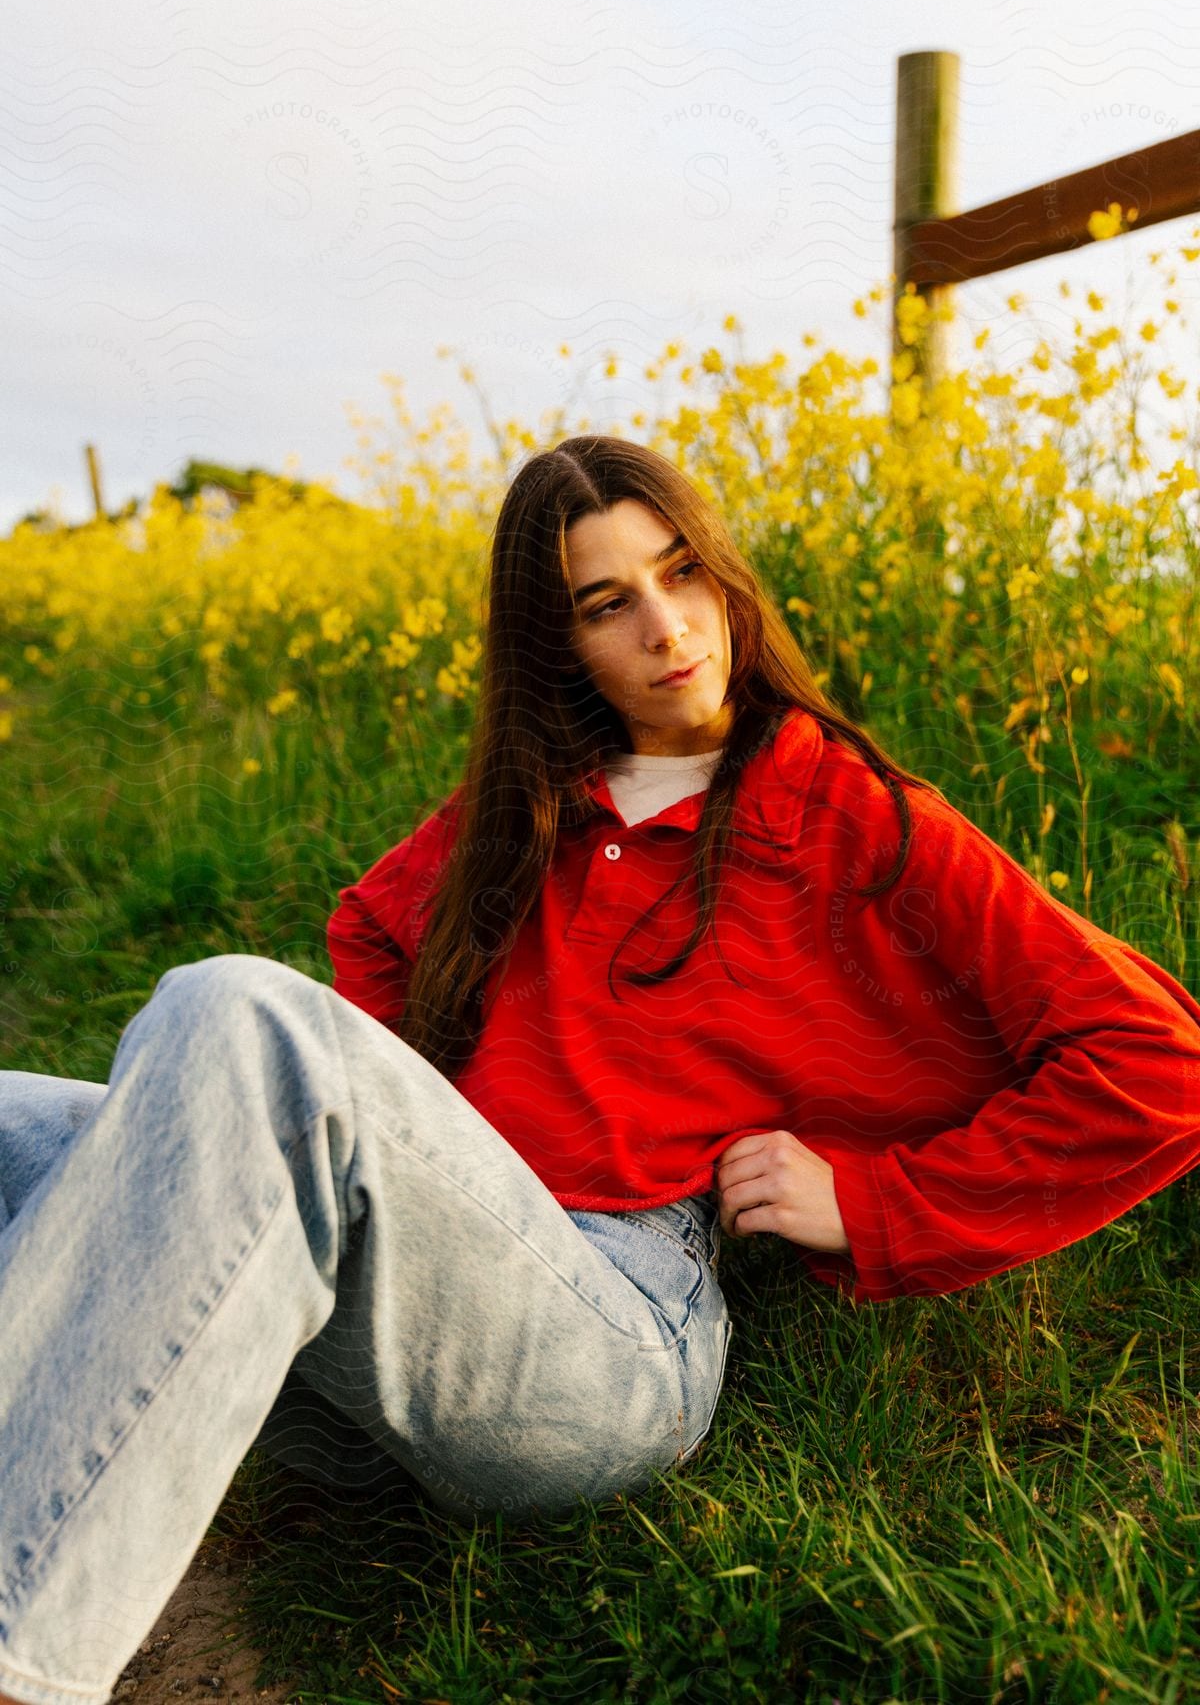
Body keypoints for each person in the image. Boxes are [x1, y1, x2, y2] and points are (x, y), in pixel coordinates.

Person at [2, 432, 1199, 1705]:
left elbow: (1157, 1063)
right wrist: (403, 1164)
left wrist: (874, 1206)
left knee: (233, 1012)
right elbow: (375, 926)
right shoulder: (536, 802)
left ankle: (26, 1654)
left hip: (614, 1333)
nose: (668, 628)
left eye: (682, 574)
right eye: (606, 604)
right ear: (557, 644)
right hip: (435, 1303)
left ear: (726, 577)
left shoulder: (843, 808)